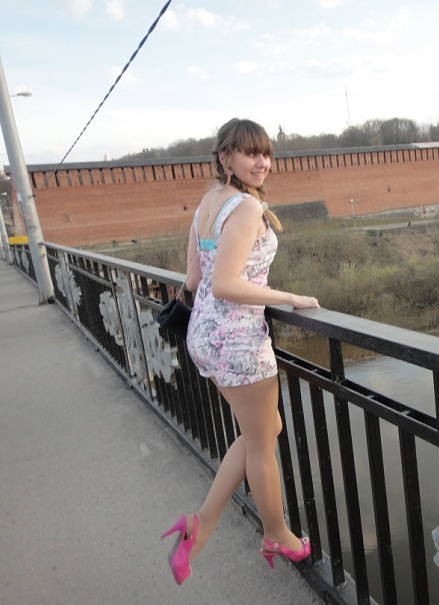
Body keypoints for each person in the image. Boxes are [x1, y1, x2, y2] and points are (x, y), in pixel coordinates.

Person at [161, 118, 319, 585]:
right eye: (251, 153)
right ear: (225, 157)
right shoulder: (247, 207)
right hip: (239, 342)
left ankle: (200, 525)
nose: (262, 162)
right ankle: (277, 534)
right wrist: (288, 297)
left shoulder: (206, 205)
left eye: (266, 153)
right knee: (263, 445)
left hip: (204, 337)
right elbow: (227, 284)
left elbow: (195, 280)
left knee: (263, 430)